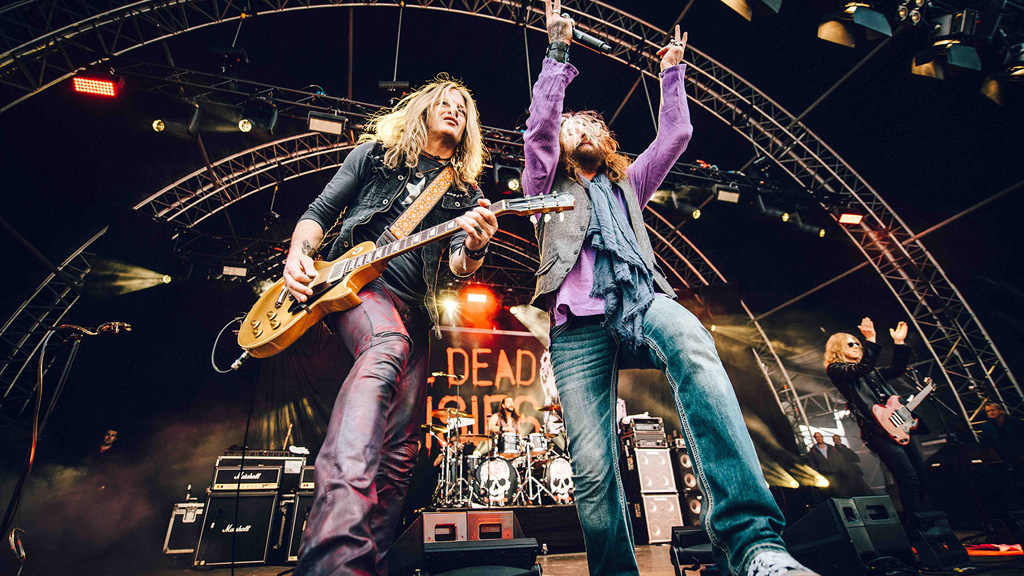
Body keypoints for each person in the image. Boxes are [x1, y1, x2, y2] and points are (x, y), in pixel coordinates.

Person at [521, 2, 819, 574]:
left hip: (641, 299)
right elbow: (539, 129)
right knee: (592, 466)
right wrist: (557, 51)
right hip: (576, 324)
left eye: (590, 127)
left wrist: (672, 73)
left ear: (606, 141)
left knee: (695, 347)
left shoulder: (629, 183)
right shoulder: (544, 183)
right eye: (571, 128)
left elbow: (676, 134)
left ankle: (755, 545)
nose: (579, 131)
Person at [283, 75, 497, 575]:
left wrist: (476, 246)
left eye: (462, 107)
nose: (454, 110)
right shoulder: (376, 157)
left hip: (416, 309)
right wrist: (298, 254)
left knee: (401, 449)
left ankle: (371, 564)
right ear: (422, 110)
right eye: (444, 102)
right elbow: (319, 212)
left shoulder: (466, 193)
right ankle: (334, 556)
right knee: (386, 344)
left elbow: (459, 266)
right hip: (358, 287)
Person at [825, 318, 930, 516]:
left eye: (858, 343)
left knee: (922, 478)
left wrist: (899, 343)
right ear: (838, 348)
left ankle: (925, 519)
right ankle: (918, 525)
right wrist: (871, 340)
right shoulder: (836, 370)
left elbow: (896, 370)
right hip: (877, 432)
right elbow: (860, 369)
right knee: (908, 477)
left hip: (897, 427)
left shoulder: (870, 372)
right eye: (851, 344)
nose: (857, 346)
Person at [980, 401, 1024, 471]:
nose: (991, 413)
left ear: (1000, 410)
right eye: (988, 411)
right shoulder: (986, 426)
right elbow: (987, 442)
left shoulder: (1014, 421)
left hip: (1020, 452)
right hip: (1003, 456)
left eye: (993, 410)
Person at [806, 432, 841, 499]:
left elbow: (839, 458)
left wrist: (840, 468)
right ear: (815, 439)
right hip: (824, 474)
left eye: (820, 436)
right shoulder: (813, 450)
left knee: (839, 491)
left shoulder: (831, 447)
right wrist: (818, 472)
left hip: (835, 472)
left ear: (822, 437)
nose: (819, 438)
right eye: (817, 437)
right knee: (828, 493)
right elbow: (812, 462)